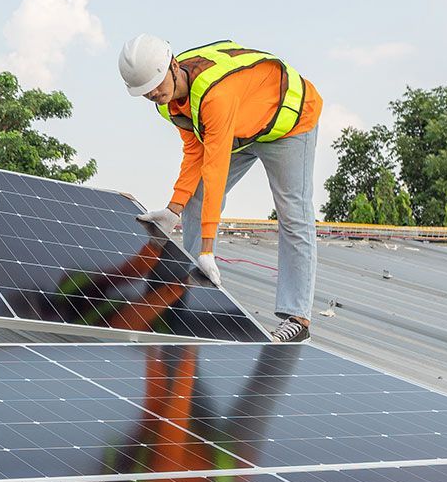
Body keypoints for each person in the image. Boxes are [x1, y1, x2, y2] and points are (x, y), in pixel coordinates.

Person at [119, 36, 324, 343]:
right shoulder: (168, 103)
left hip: (288, 121)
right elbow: (194, 152)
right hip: (241, 126)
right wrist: (174, 208)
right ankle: (186, 294)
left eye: (157, 86)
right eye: (147, 93)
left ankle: (298, 319)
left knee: (293, 214)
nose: (155, 95)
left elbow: (214, 168)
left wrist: (208, 249)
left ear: (173, 67)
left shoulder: (215, 96)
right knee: (195, 197)